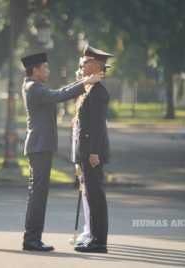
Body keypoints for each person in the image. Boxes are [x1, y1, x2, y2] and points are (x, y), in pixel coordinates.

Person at [21, 52, 102, 252]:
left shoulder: (36, 86)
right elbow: (59, 95)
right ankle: (31, 239)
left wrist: (83, 81)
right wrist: (85, 83)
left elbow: (59, 91)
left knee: (38, 194)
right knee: (37, 195)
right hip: (39, 147)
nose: (48, 71)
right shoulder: (33, 88)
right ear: (35, 70)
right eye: (45, 68)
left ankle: (33, 238)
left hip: (41, 147)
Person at [73, 45, 113, 253]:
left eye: (86, 62)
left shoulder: (98, 92)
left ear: (96, 65)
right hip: (88, 152)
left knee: (96, 196)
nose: (82, 65)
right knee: (91, 194)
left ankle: (99, 241)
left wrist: (94, 152)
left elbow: (97, 126)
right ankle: (95, 238)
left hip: (93, 153)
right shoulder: (91, 89)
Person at [72, 58, 91, 246]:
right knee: (84, 191)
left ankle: (90, 230)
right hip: (79, 153)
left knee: (88, 193)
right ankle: (89, 228)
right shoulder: (81, 96)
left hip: (87, 152)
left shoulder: (90, 95)